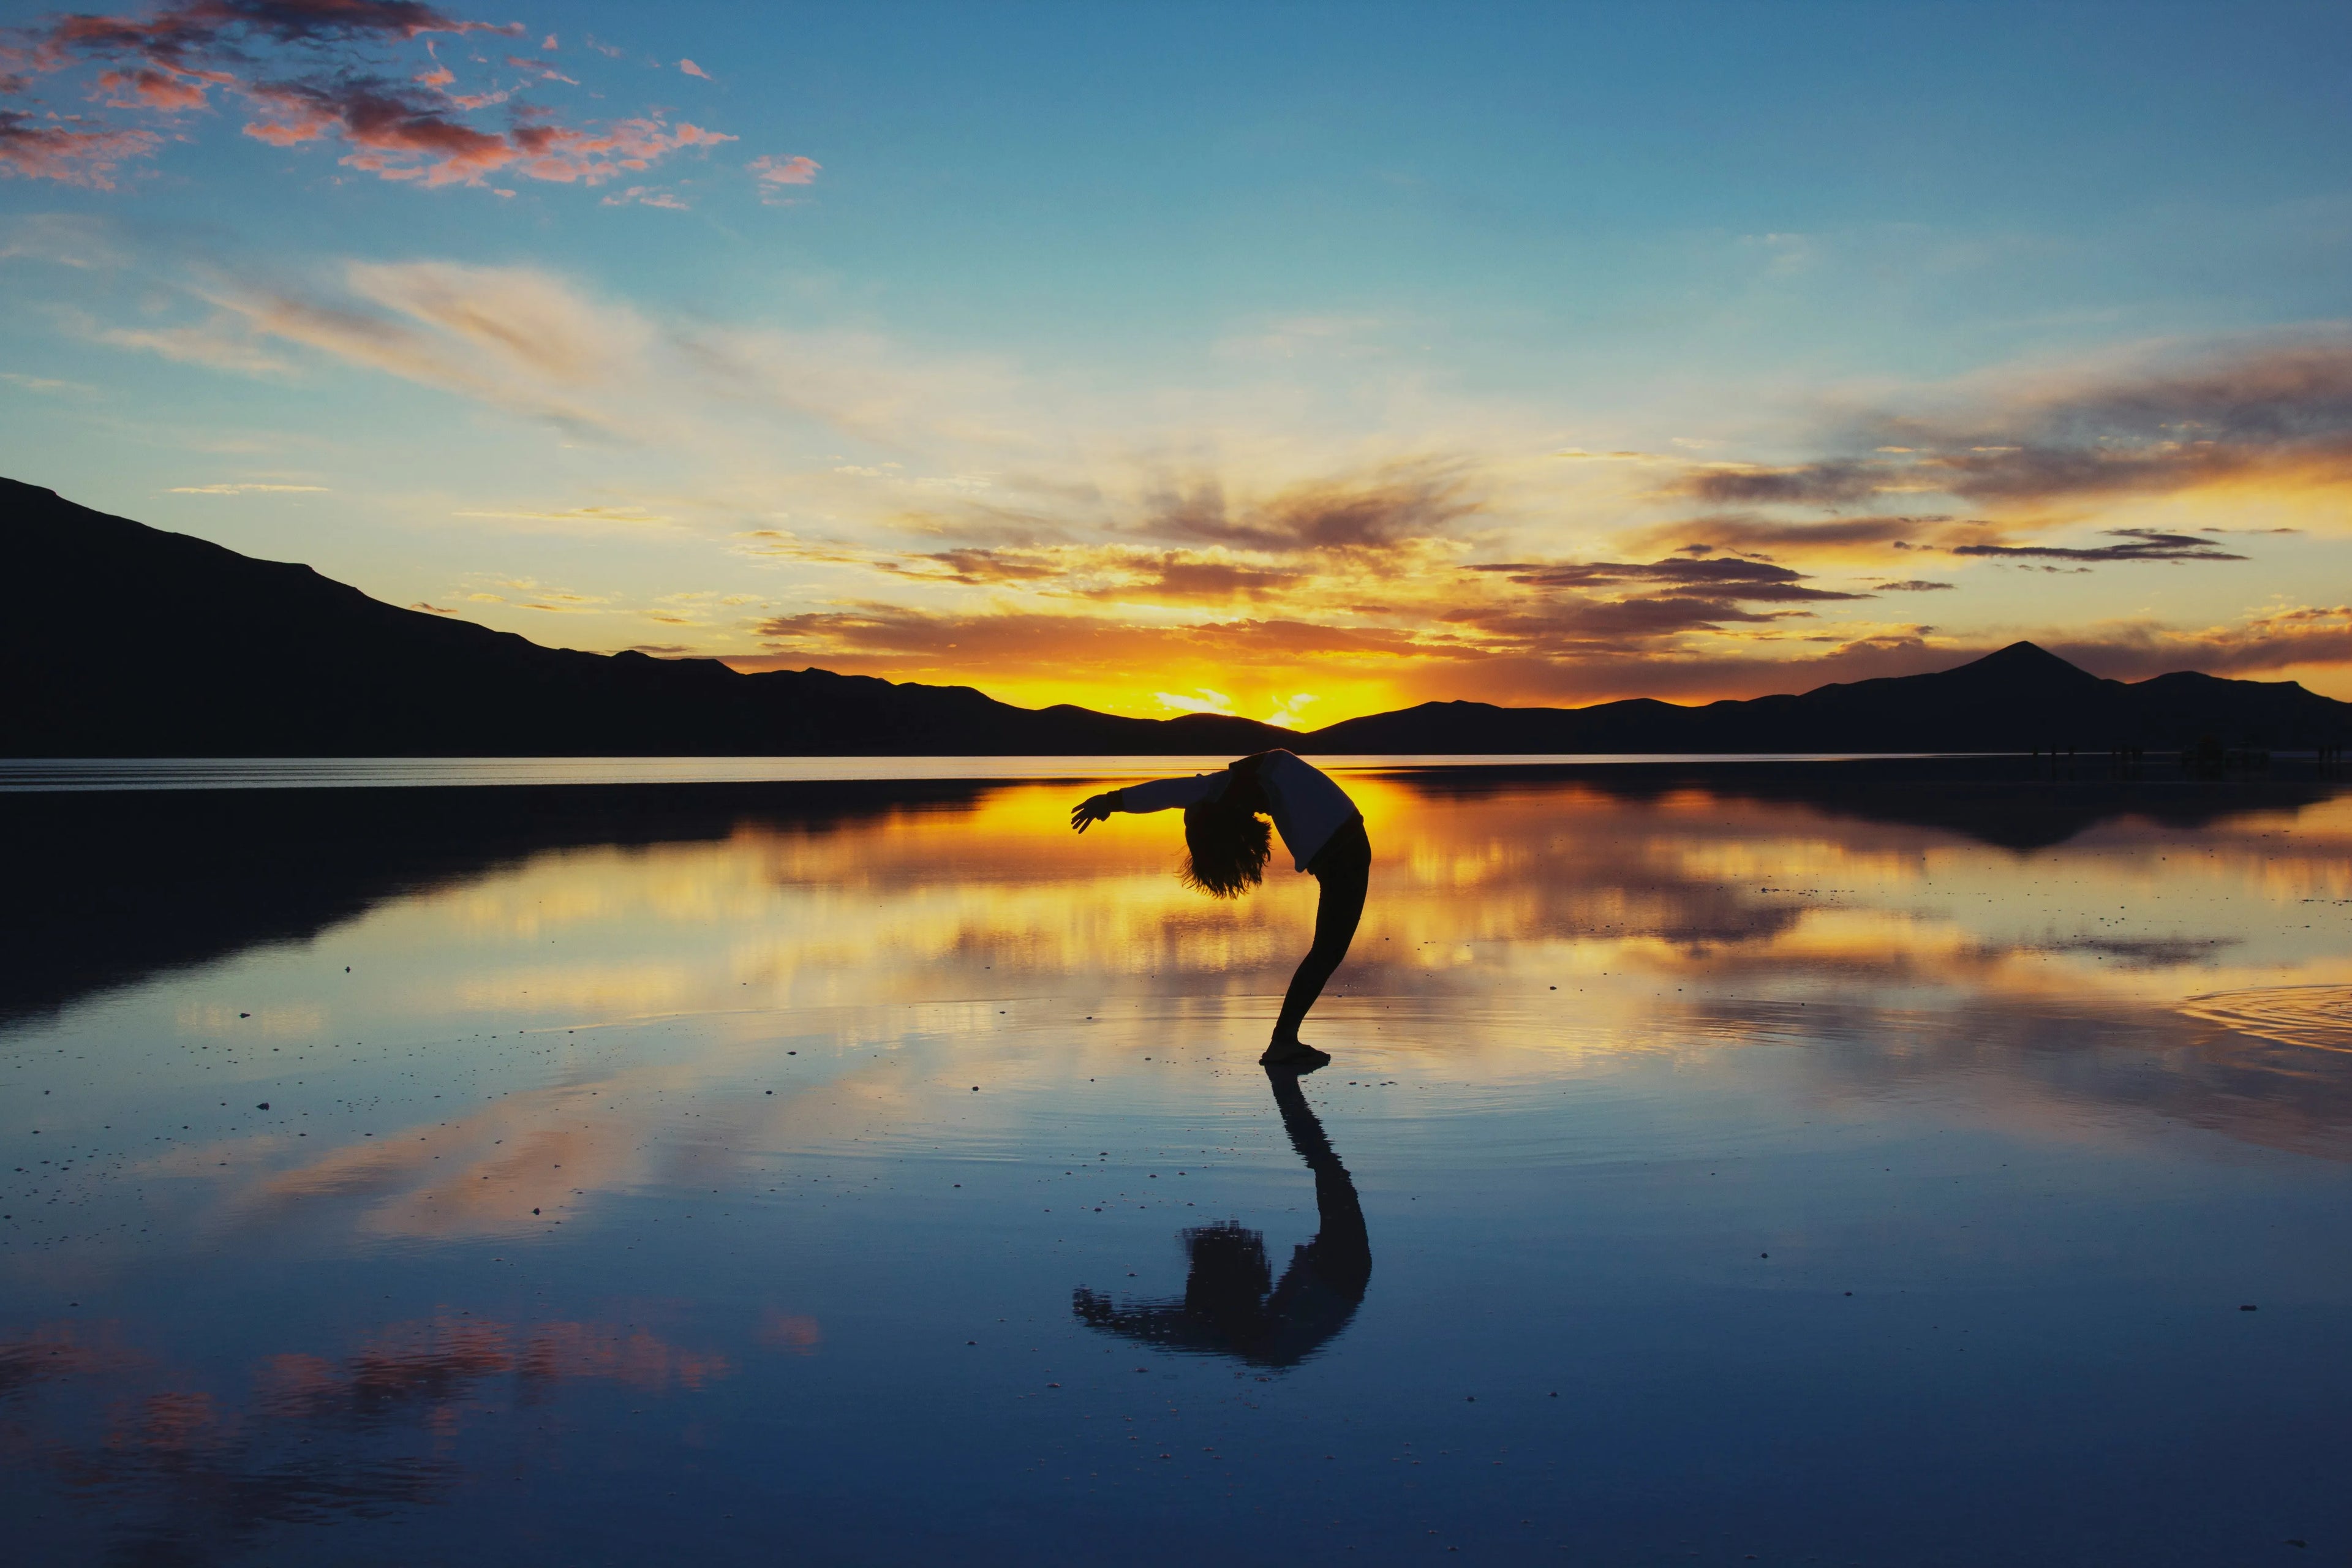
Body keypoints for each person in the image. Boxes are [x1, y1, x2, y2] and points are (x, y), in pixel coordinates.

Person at [1070, 749, 1369, 1069]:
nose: (1255, 810)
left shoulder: (1240, 781)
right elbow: (1172, 792)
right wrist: (1111, 802)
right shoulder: (1240, 781)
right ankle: (1283, 1042)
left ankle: (1284, 1041)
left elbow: (1173, 793)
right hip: (1341, 856)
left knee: (1326, 953)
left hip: (1341, 853)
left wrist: (1112, 801)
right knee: (1326, 953)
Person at [1071, 1066, 1371, 1367]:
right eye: (1196, 1281)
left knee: (1326, 1166)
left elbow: (1172, 1331)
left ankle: (1286, 1086)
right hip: (1338, 1281)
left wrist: (1115, 1321)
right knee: (1326, 1166)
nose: (1189, 1286)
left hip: (1334, 1288)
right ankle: (1286, 1086)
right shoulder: (1247, 1337)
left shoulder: (1238, 1335)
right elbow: (1175, 1331)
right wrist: (1114, 1321)